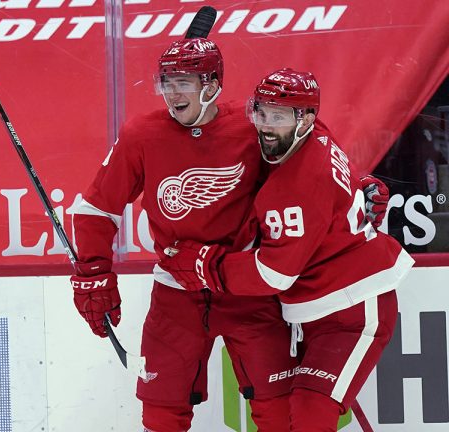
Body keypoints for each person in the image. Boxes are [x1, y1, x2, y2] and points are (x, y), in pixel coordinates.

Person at [160, 68, 414, 431]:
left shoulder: (295, 186)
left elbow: (273, 273)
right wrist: (360, 184)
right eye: (260, 112)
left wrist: (204, 265)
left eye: (276, 117)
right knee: (302, 414)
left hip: (354, 309)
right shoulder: (314, 133)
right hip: (323, 305)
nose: (264, 125)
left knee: (311, 414)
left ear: (305, 118)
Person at [69, 37, 300, 432]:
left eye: (183, 83)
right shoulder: (142, 134)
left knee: (279, 409)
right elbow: (96, 209)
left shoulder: (250, 128)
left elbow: (307, 165)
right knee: (161, 412)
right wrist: (93, 274)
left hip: (243, 285)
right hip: (176, 292)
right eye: (166, 82)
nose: (171, 93)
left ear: (211, 86)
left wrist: (357, 185)